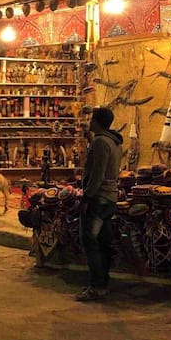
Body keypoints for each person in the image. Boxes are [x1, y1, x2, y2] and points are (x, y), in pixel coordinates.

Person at [76, 107, 123, 302]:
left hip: (99, 198)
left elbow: (97, 174)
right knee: (103, 242)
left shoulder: (101, 142)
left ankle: (97, 285)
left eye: (92, 119)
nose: (89, 121)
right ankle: (103, 282)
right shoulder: (113, 141)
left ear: (97, 121)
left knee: (90, 241)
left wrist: (86, 198)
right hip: (110, 197)